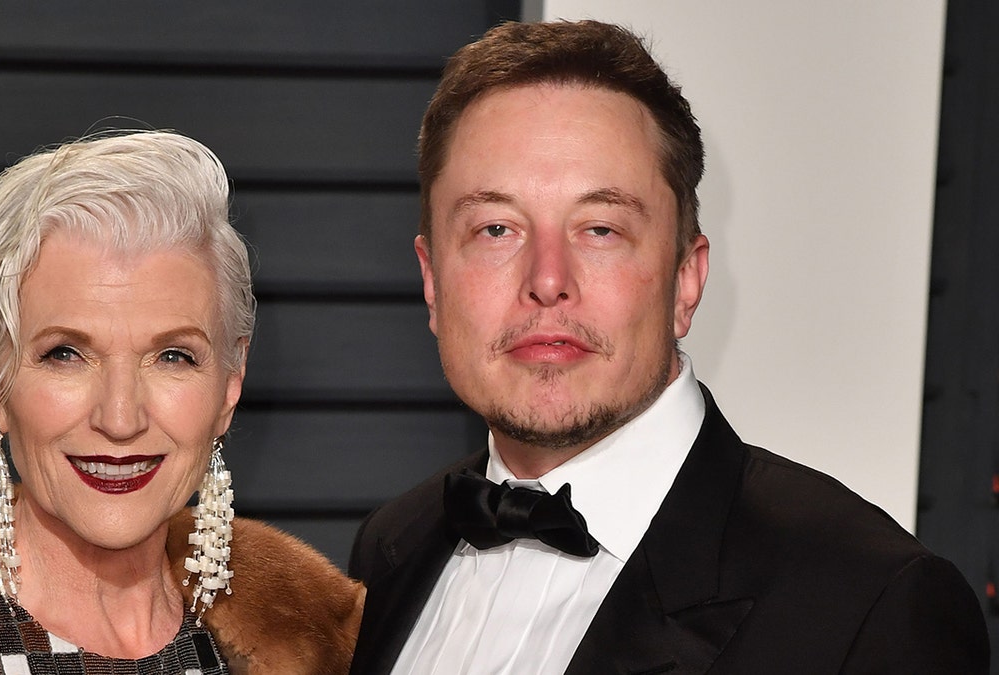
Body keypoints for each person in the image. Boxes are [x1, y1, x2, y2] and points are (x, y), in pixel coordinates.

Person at [348, 20, 988, 674]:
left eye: (599, 229)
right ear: (432, 281)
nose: (546, 281)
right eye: (494, 228)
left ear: (687, 279)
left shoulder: (873, 605)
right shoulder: (388, 550)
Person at [0, 131, 363, 674]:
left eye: (173, 356)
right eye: (66, 354)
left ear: (230, 384)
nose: (120, 418)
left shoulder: (326, 637)